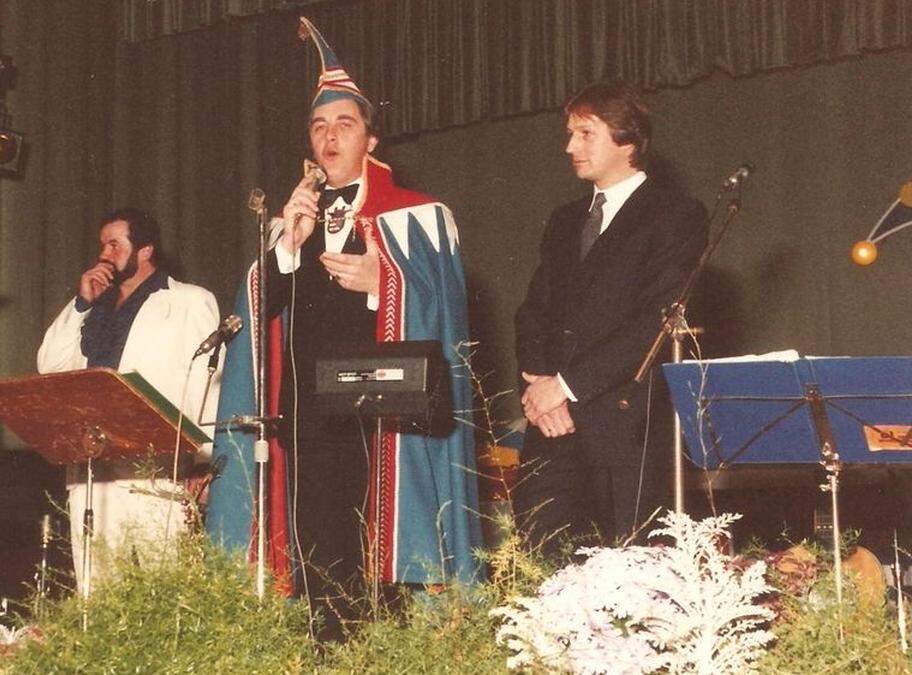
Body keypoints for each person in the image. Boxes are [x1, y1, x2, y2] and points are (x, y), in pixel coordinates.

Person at [206, 17, 482, 640]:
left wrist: (385, 286)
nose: (330, 137)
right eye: (319, 126)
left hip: (384, 422)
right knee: (312, 559)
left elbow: (450, 316)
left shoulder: (421, 218)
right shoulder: (288, 223)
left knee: (380, 566)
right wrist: (285, 249)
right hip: (303, 418)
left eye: (345, 125)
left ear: (371, 142)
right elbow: (254, 316)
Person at [513, 81, 707, 551]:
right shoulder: (564, 220)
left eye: (585, 133)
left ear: (627, 139)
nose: (569, 147)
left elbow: (656, 322)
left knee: (632, 580)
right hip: (550, 427)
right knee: (541, 568)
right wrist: (542, 389)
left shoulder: (675, 214)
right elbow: (533, 311)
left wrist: (564, 386)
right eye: (569, 133)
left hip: (627, 433)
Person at [37, 208, 221, 567]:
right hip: (94, 475)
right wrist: (81, 304)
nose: (105, 254)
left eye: (114, 244)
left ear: (146, 250)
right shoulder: (95, 307)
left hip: (157, 473)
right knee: (99, 589)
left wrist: (203, 464)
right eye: (102, 245)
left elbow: (208, 383)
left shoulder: (189, 301)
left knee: (164, 587)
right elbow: (50, 365)